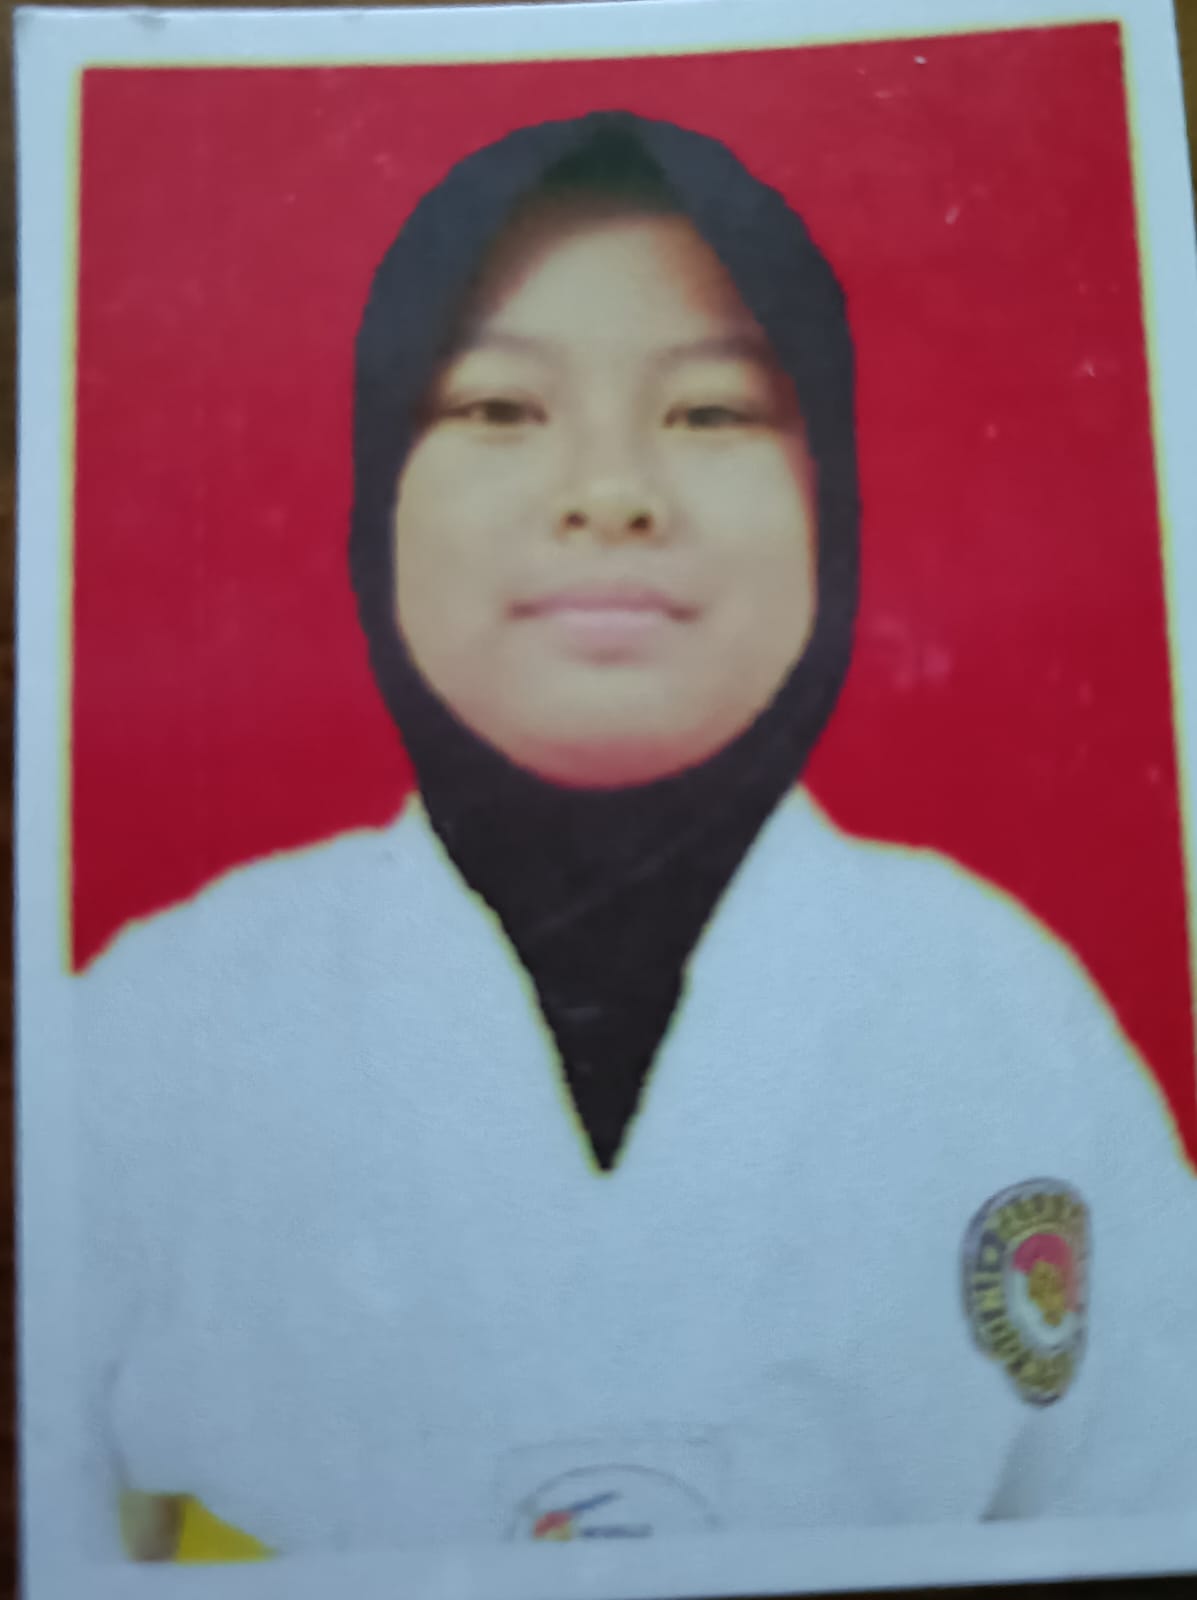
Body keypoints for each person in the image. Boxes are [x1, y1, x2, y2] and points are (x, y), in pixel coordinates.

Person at [64, 111, 1197, 1564]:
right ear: (376, 497)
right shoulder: (162, 1020)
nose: (610, 492)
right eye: (496, 407)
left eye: (712, 413)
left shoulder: (997, 1009)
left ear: (832, 495)